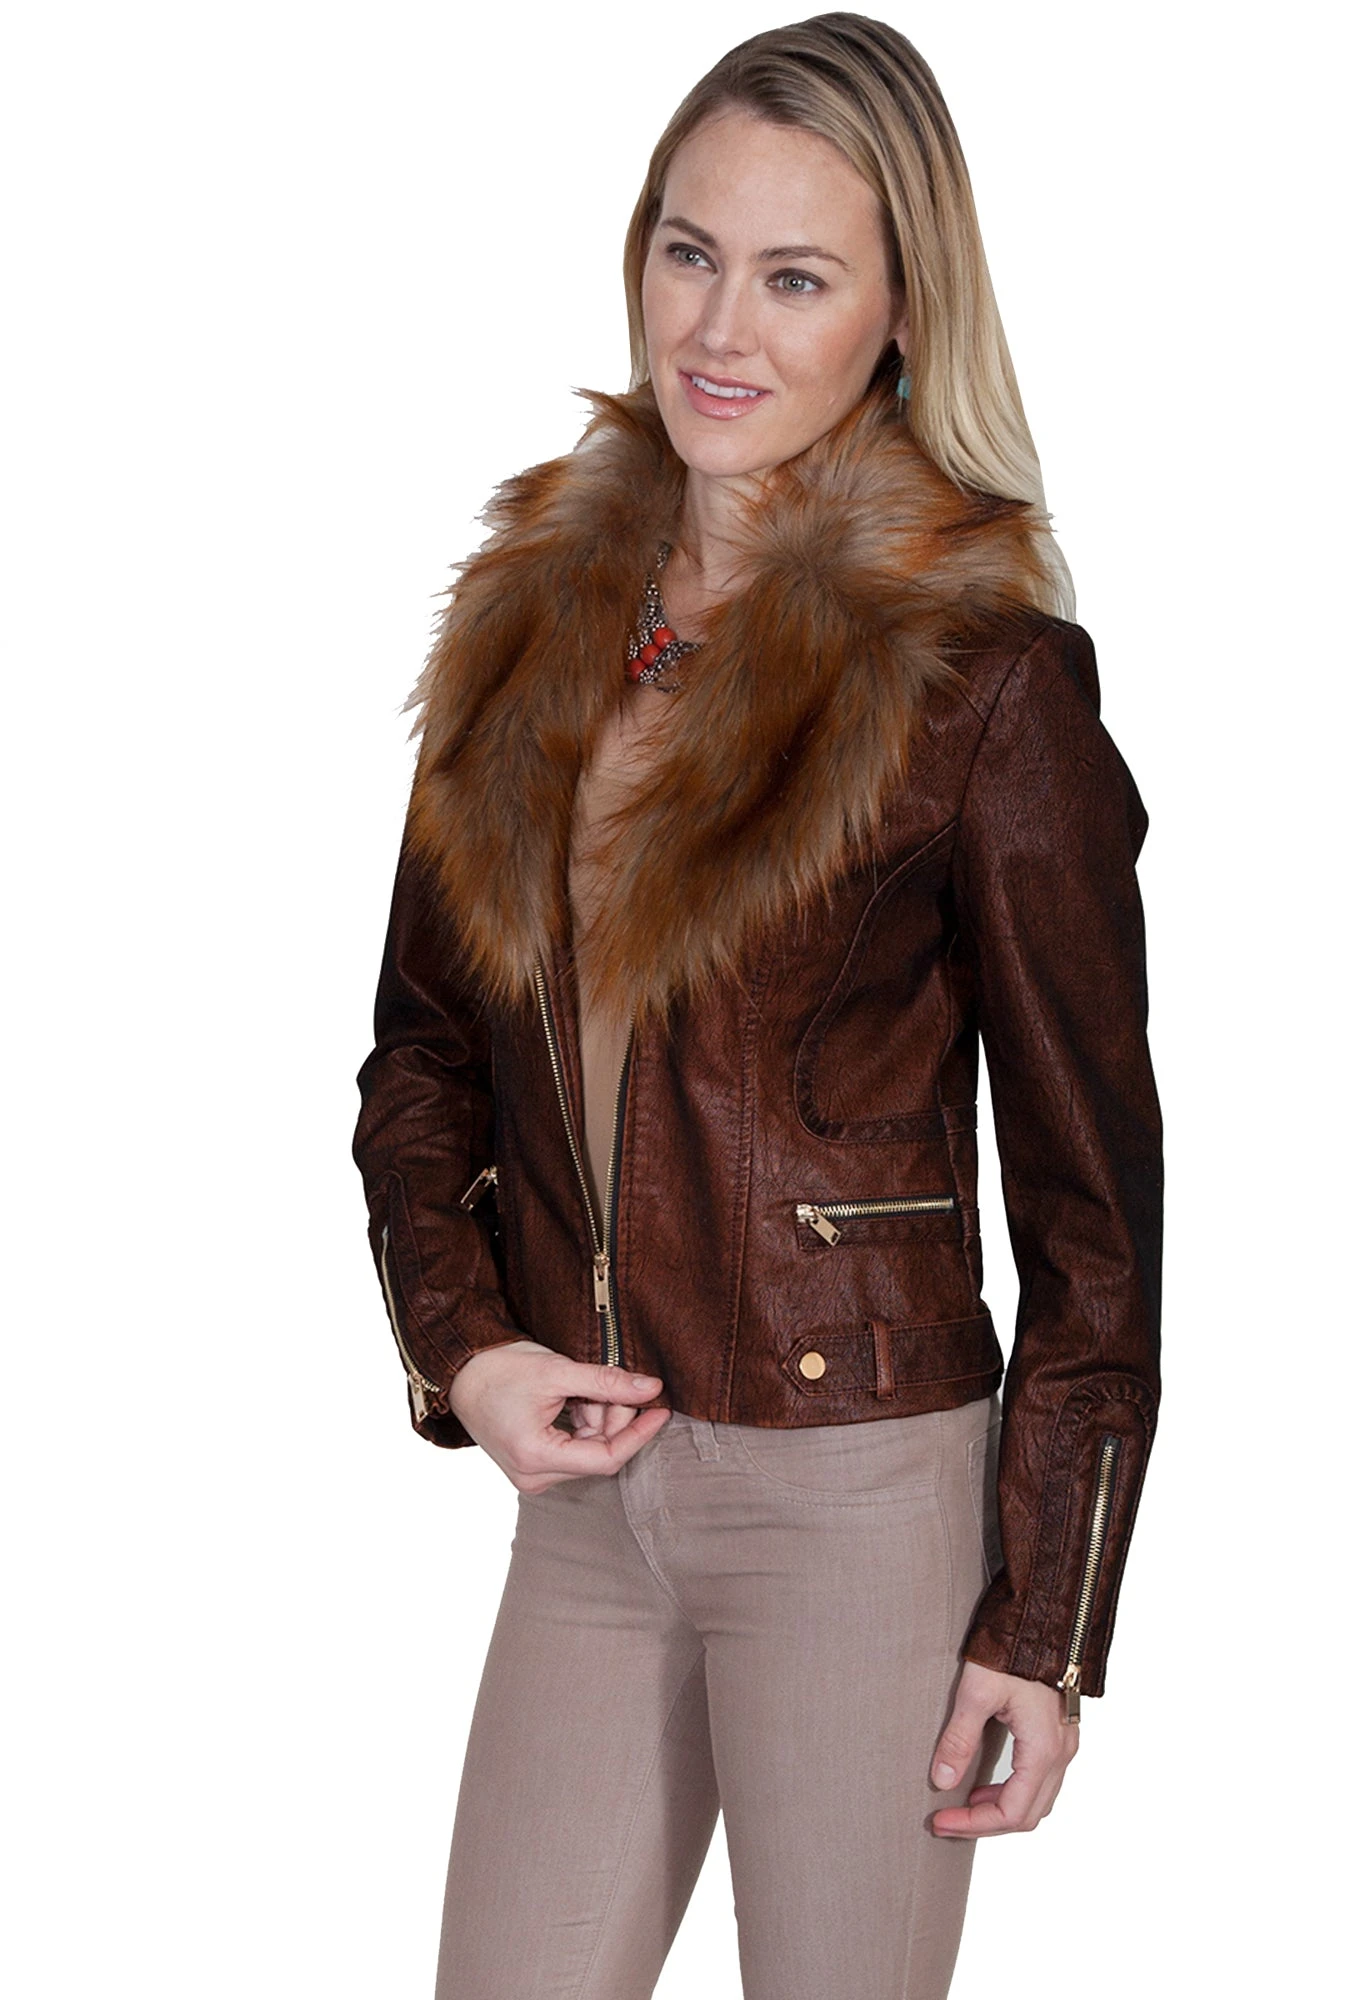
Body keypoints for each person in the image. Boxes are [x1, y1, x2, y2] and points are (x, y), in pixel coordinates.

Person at [352, 13, 1163, 1997]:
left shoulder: (982, 686)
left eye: (796, 277)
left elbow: (1094, 1214)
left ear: (900, 316)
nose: (718, 327)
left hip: (860, 1493)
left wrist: (1046, 1626)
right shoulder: (535, 621)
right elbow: (421, 1061)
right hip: (594, 1493)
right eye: (689, 251)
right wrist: (469, 1352)